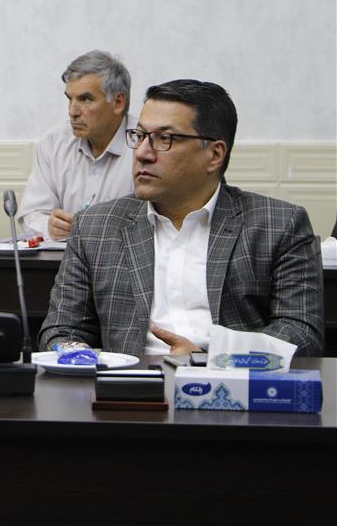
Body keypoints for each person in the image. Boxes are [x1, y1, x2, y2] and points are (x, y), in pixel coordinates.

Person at [39, 79, 324, 357]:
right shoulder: (95, 227)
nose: (142, 153)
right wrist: (79, 357)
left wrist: (211, 358)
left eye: (165, 138)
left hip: (230, 381)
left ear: (214, 155)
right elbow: (61, 330)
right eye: (139, 136)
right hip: (130, 382)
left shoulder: (278, 224)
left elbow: (301, 332)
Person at [19, 51, 136, 240]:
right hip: (65, 255)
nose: (72, 111)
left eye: (85, 99)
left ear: (118, 102)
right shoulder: (54, 143)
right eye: (69, 99)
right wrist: (49, 228)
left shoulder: (147, 145)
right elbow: (32, 214)